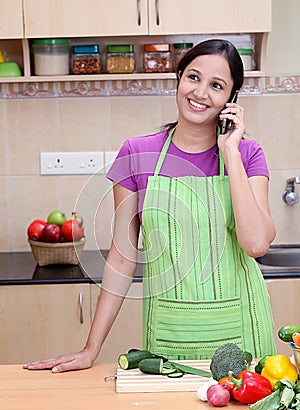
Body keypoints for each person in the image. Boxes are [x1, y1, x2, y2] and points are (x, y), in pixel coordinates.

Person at [24, 39, 276, 373]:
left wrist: (229, 151)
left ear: (231, 99)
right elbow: (123, 255)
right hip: (170, 331)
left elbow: (256, 244)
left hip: (242, 334)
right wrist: (90, 348)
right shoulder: (136, 153)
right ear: (179, 78)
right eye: (193, 77)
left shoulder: (247, 154)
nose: (200, 93)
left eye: (217, 86)